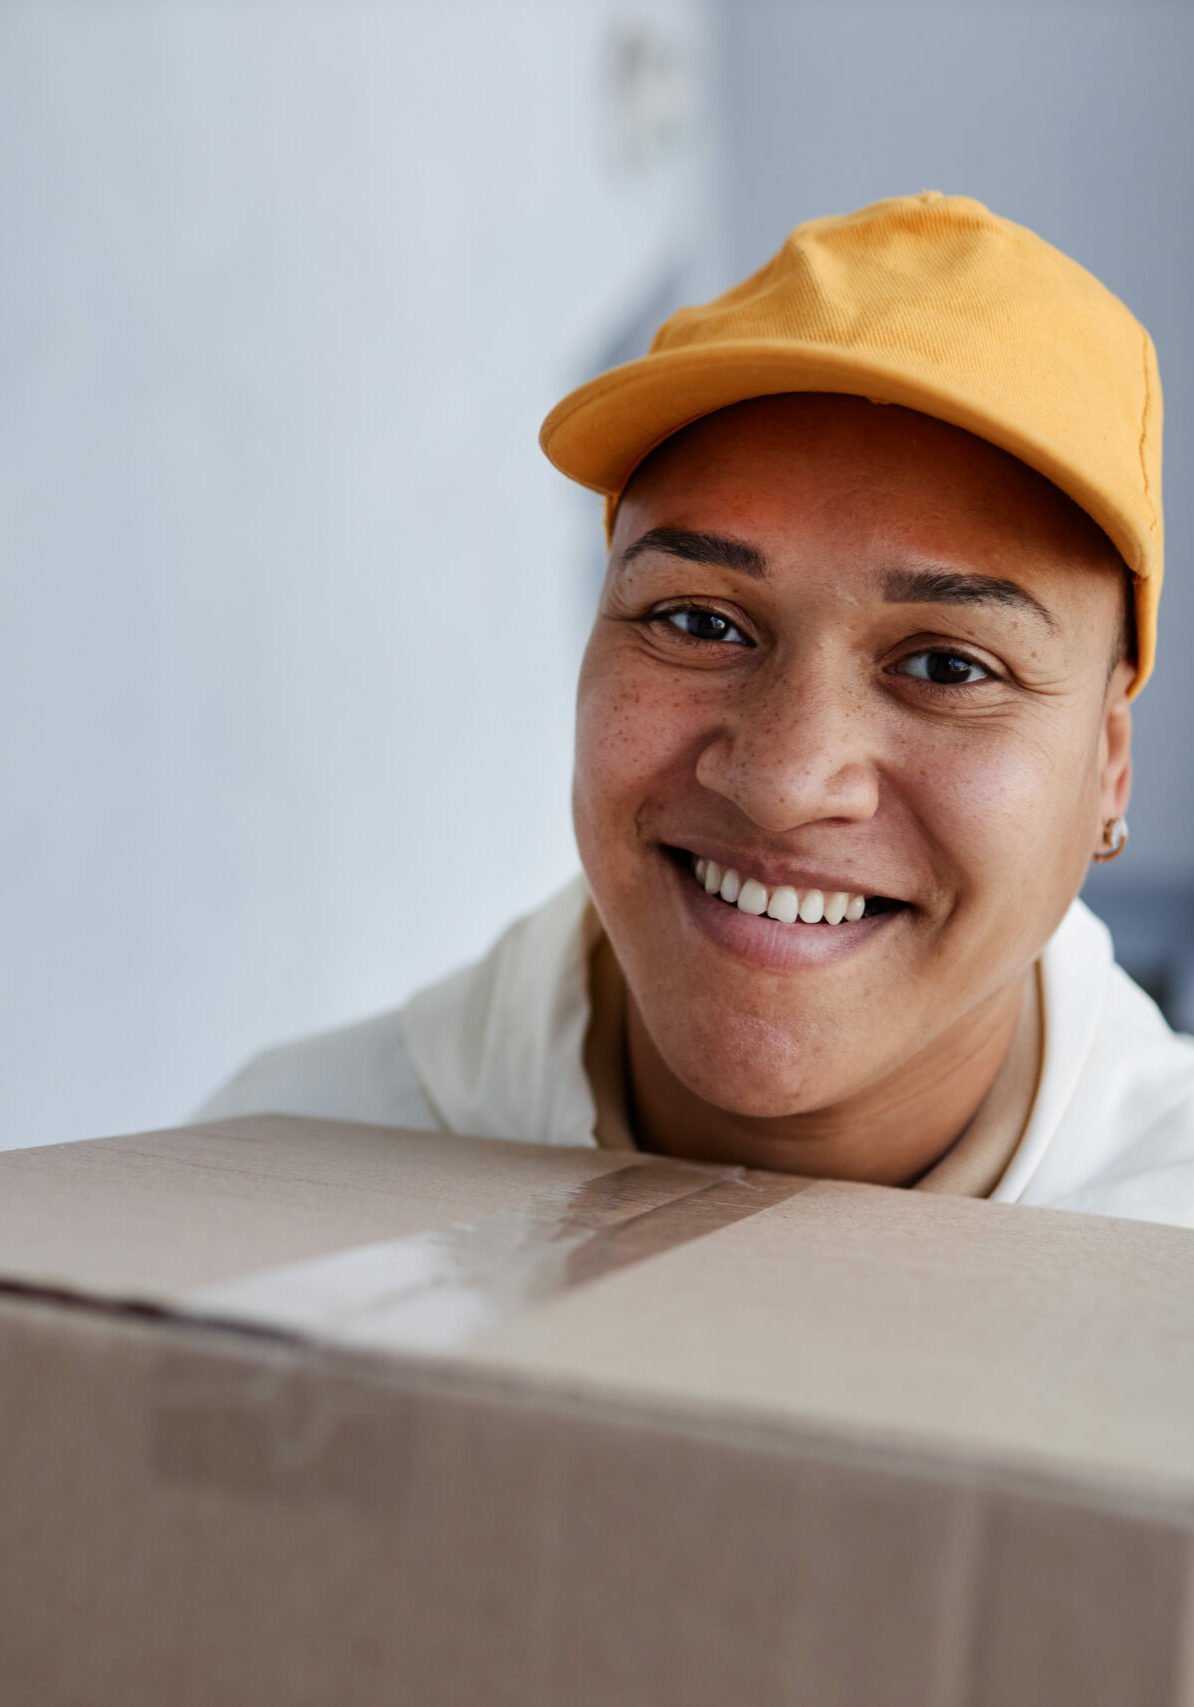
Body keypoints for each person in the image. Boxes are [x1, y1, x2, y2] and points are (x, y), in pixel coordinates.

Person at [198, 192, 1194, 1227]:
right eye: (700, 623)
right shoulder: (271, 1185)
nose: (785, 780)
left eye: (947, 667)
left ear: (1109, 765)